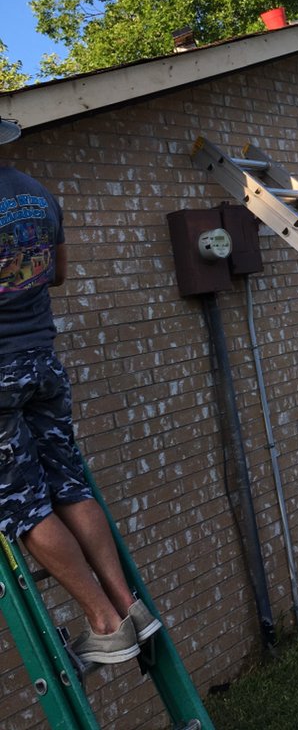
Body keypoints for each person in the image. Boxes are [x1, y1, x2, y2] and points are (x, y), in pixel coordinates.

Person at [0, 117, 160, 664]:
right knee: (69, 485)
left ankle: (104, 622)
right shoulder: (37, 194)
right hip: (42, 360)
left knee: (23, 508)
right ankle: (129, 605)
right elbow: (58, 274)